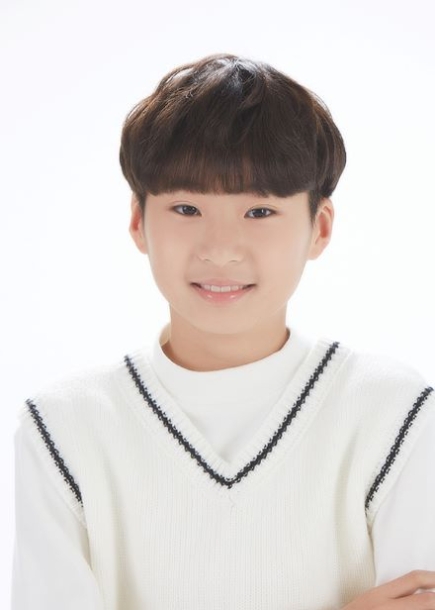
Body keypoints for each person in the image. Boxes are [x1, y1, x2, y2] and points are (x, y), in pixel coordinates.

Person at [12, 53, 435, 610]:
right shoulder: (63, 426)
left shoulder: (393, 413)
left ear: (320, 227)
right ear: (139, 221)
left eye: (259, 212)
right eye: (187, 208)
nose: (220, 250)